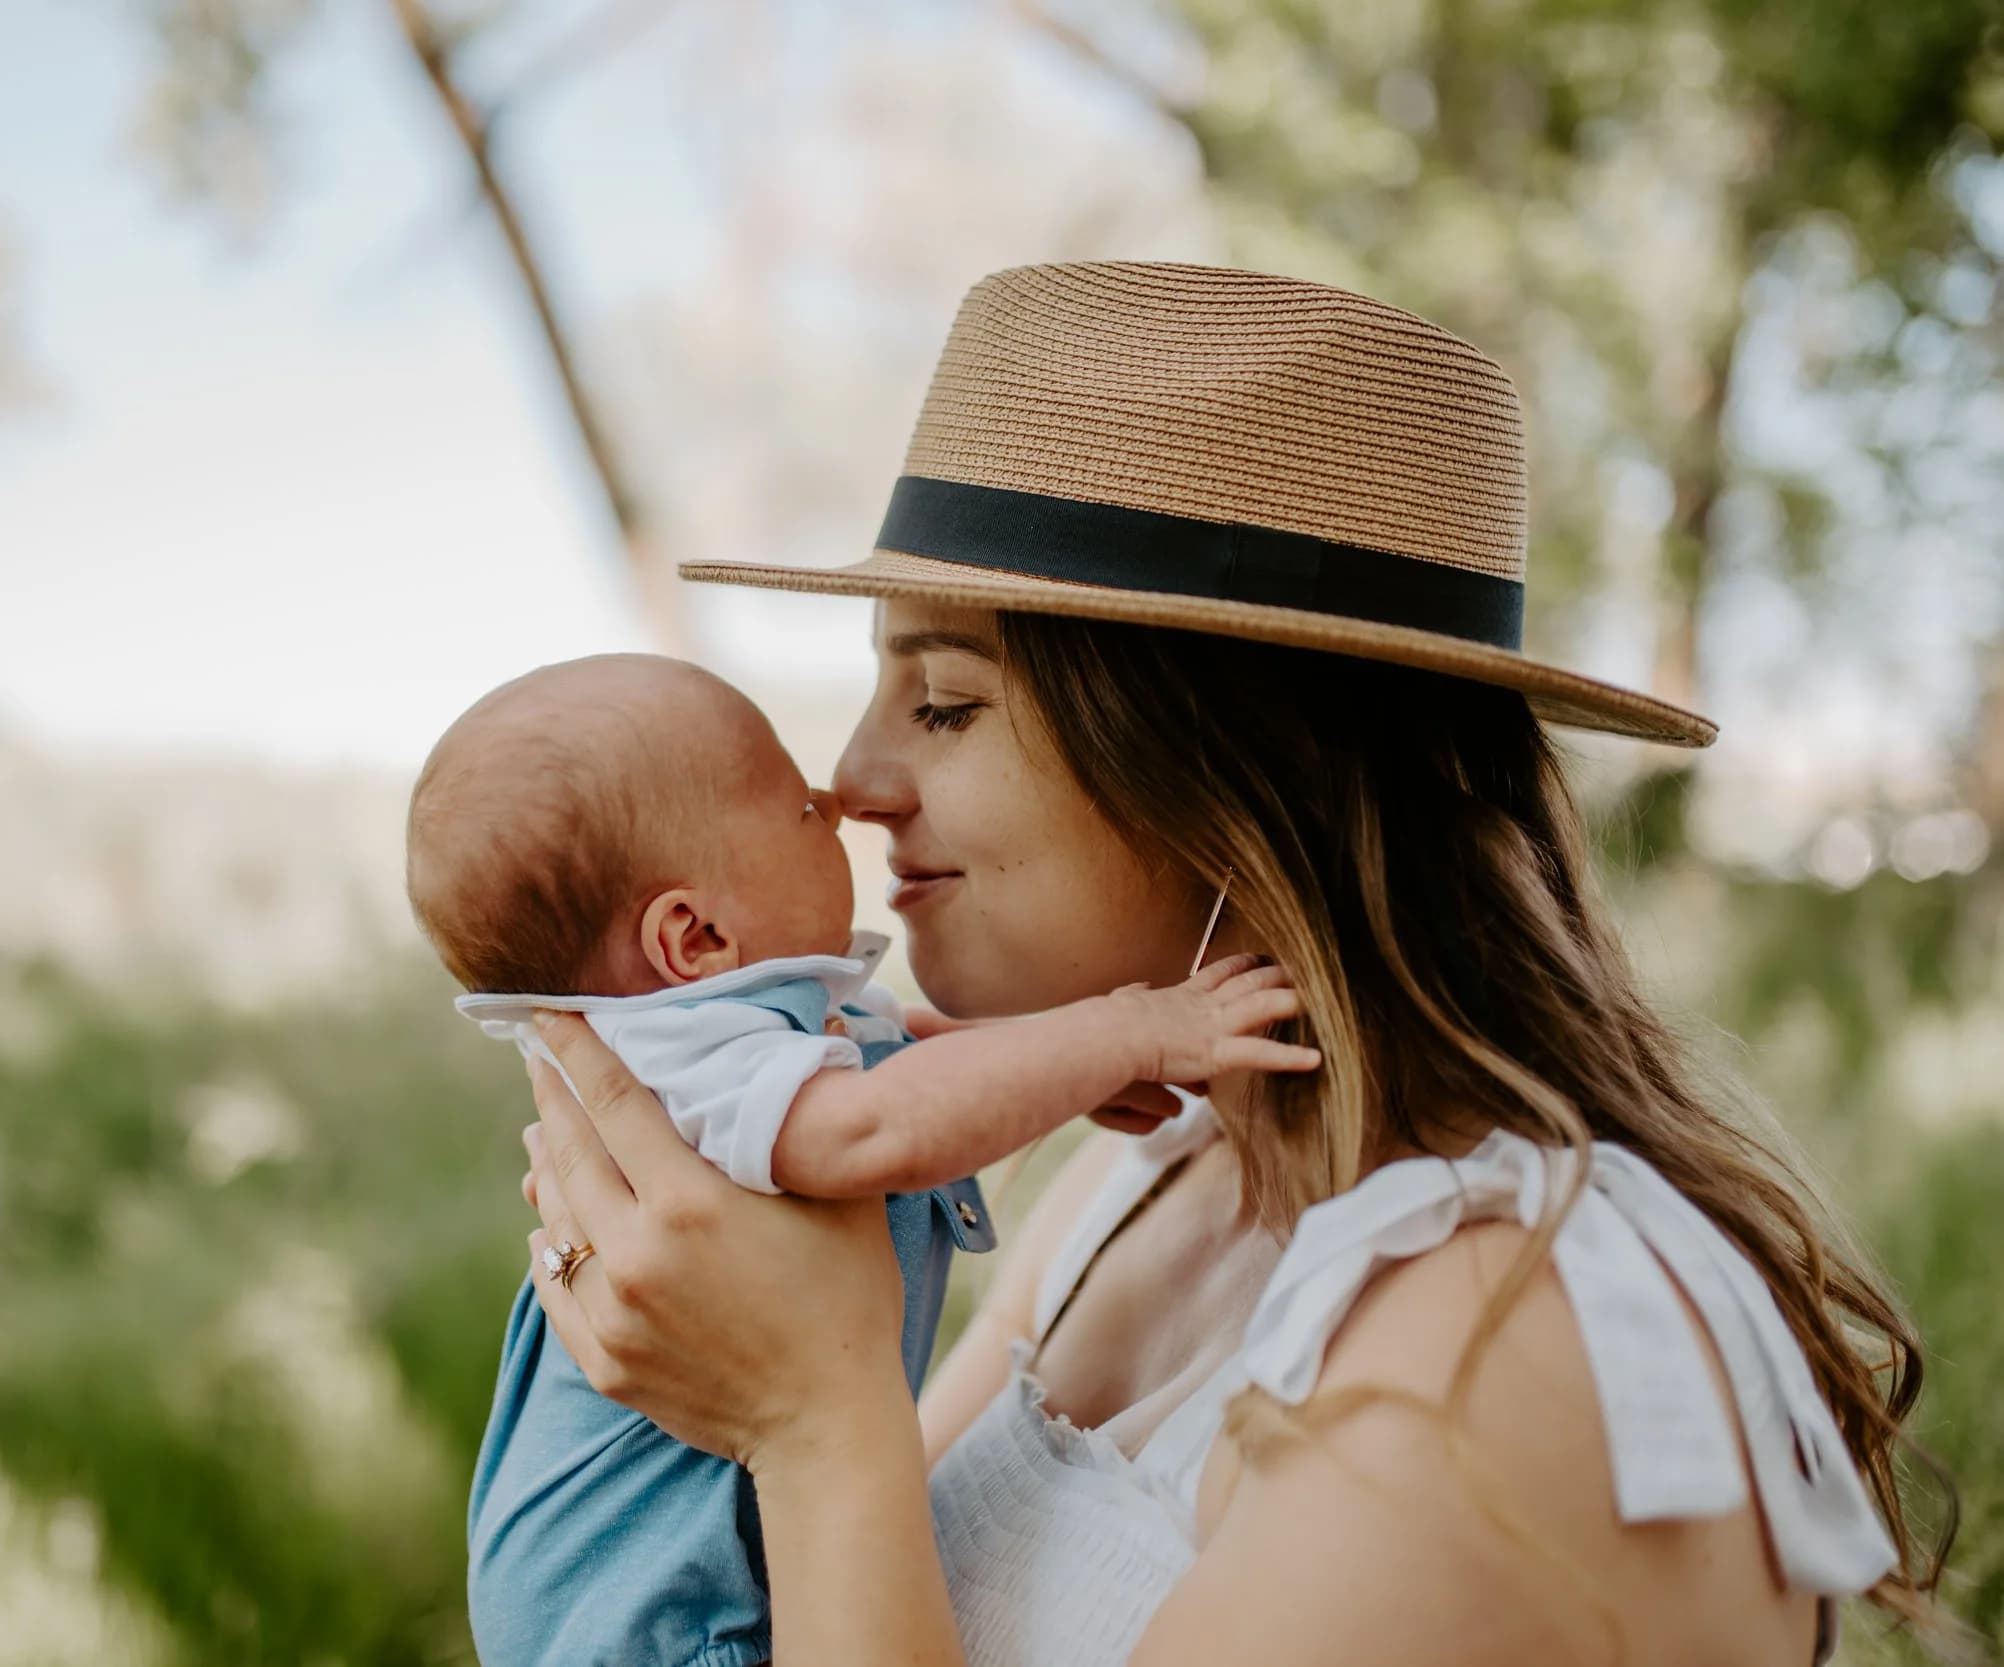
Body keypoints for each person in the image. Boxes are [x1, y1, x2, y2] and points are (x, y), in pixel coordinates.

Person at [503, 262, 1946, 1666]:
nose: (854, 780)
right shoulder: (1141, 1180)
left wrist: (808, 1419)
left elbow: (842, 1478)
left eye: (945, 702)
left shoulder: (1510, 1349)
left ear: (1240, 772)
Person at [405, 650, 1320, 1667]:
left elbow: (904, 1069)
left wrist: (1053, 1069)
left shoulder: (723, 1034)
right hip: (659, 1617)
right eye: (798, 807)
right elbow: (871, 1125)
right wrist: (1129, 1031)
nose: (837, 798)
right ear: (692, 935)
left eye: (947, 705)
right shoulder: (687, 1050)